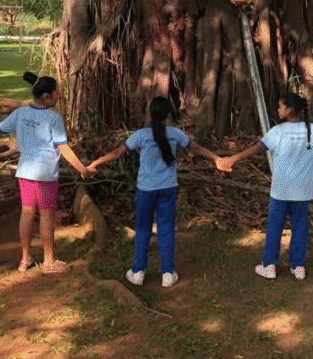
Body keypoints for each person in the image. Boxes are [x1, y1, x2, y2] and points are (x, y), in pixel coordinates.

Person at [216, 93, 313, 281]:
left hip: (280, 191)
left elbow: (255, 149)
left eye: (280, 107)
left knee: (274, 228)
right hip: (302, 191)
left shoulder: (277, 132)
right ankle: (298, 267)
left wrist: (233, 158)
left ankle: (269, 266)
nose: (278, 110)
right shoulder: (312, 131)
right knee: (300, 228)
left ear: (289, 110)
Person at [87, 97, 224, 288]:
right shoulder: (175, 134)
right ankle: (167, 273)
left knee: (143, 228)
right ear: (168, 115)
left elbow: (118, 153)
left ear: (150, 114)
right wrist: (216, 158)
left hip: (146, 190)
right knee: (166, 228)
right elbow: (197, 148)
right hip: (168, 188)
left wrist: (95, 163)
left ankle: (138, 272)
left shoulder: (141, 135)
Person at [0, 72, 86, 274]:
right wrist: (82, 169)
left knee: (27, 212)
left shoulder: (20, 113)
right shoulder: (53, 118)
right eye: (57, 93)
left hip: (25, 172)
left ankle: (24, 259)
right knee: (46, 214)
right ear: (47, 97)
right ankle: (49, 262)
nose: (59, 96)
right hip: (45, 174)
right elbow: (63, 147)